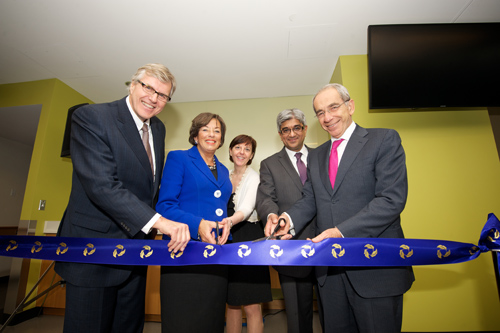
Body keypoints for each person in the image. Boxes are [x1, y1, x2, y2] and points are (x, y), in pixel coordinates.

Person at [267, 83, 415, 333]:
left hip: (374, 270)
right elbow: (310, 198)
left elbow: (391, 200)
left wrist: (341, 231)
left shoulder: (384, 139)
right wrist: (287, 219)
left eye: (333, 107)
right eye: (320, 112)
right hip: (330, 276)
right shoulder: (317, 156)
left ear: (350, 106)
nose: (327, 117)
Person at [55, 63, 190, 333]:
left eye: (162, 95)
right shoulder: (91, 116)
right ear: (132, 85)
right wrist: (159, 222)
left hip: (136, 252)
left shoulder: (158, 129)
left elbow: (148, 187)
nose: (153, 98)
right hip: (93, 253)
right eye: (148, 88)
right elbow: (102, 186)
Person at [156, 112, 232, 333]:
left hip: (217, 253)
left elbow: (221, 208)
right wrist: (198, 224)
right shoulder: (178, 158)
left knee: (212, 317)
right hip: (184, 250)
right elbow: (165, 206)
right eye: (205, 129)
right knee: (183, 319)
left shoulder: (225, 170)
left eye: (217, 131)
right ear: (195, 135)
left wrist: (226, 224)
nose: (212, 134)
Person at [256, 109, 318, 333]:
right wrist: (272, 215)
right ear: (280, 134)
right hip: (290, 246)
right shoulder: (269, 164)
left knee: (334, 309)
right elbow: (265, 199)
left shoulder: (322, 157)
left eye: (296, 128)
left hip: (325, 243)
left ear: (304, 129)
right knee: (297, 313)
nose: (292, 134)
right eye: (286, 130)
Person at [223, 135, 272, 333]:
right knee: (232, 302)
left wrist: (227, 222)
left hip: (249, 240)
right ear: (230, 151)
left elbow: (246, 207)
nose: (241, 152)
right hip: (226, 241)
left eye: (247, 149)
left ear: (251, 155)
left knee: (252, 304)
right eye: (238, 147)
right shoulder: (223, 176)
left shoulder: (254, 178)